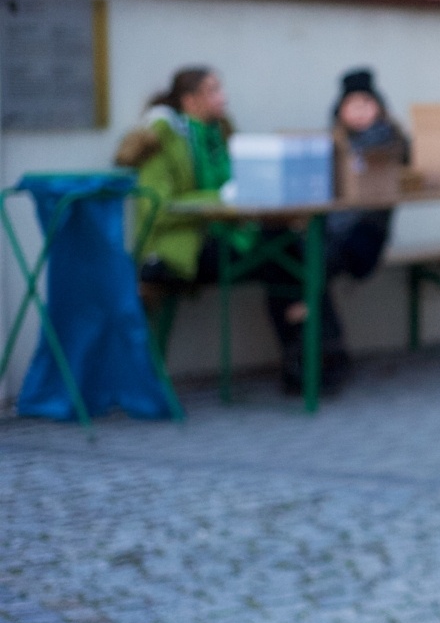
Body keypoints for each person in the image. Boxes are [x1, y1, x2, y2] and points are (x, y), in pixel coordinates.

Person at [116, 66, 350, 393]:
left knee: (293, 249)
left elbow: (244, 182)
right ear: (190, 100)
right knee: (287, 256)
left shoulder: (222, 134)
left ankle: (312, 357)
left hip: (229, 236)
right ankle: (315, 358)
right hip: (181, 249)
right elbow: (157, 206)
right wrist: (221, 199)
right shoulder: (161, 137)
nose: (223, 97)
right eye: (213, 91)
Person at [327, 68, 407, 280]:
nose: (360, 110)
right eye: (353, 104)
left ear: (379, 107)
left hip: (366, 234)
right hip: (333, 231)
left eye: (366, 103)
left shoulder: (391, 142)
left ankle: (302, 308)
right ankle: (299, 308)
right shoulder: (335, 145)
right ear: (341, 110)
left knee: (313, 259)